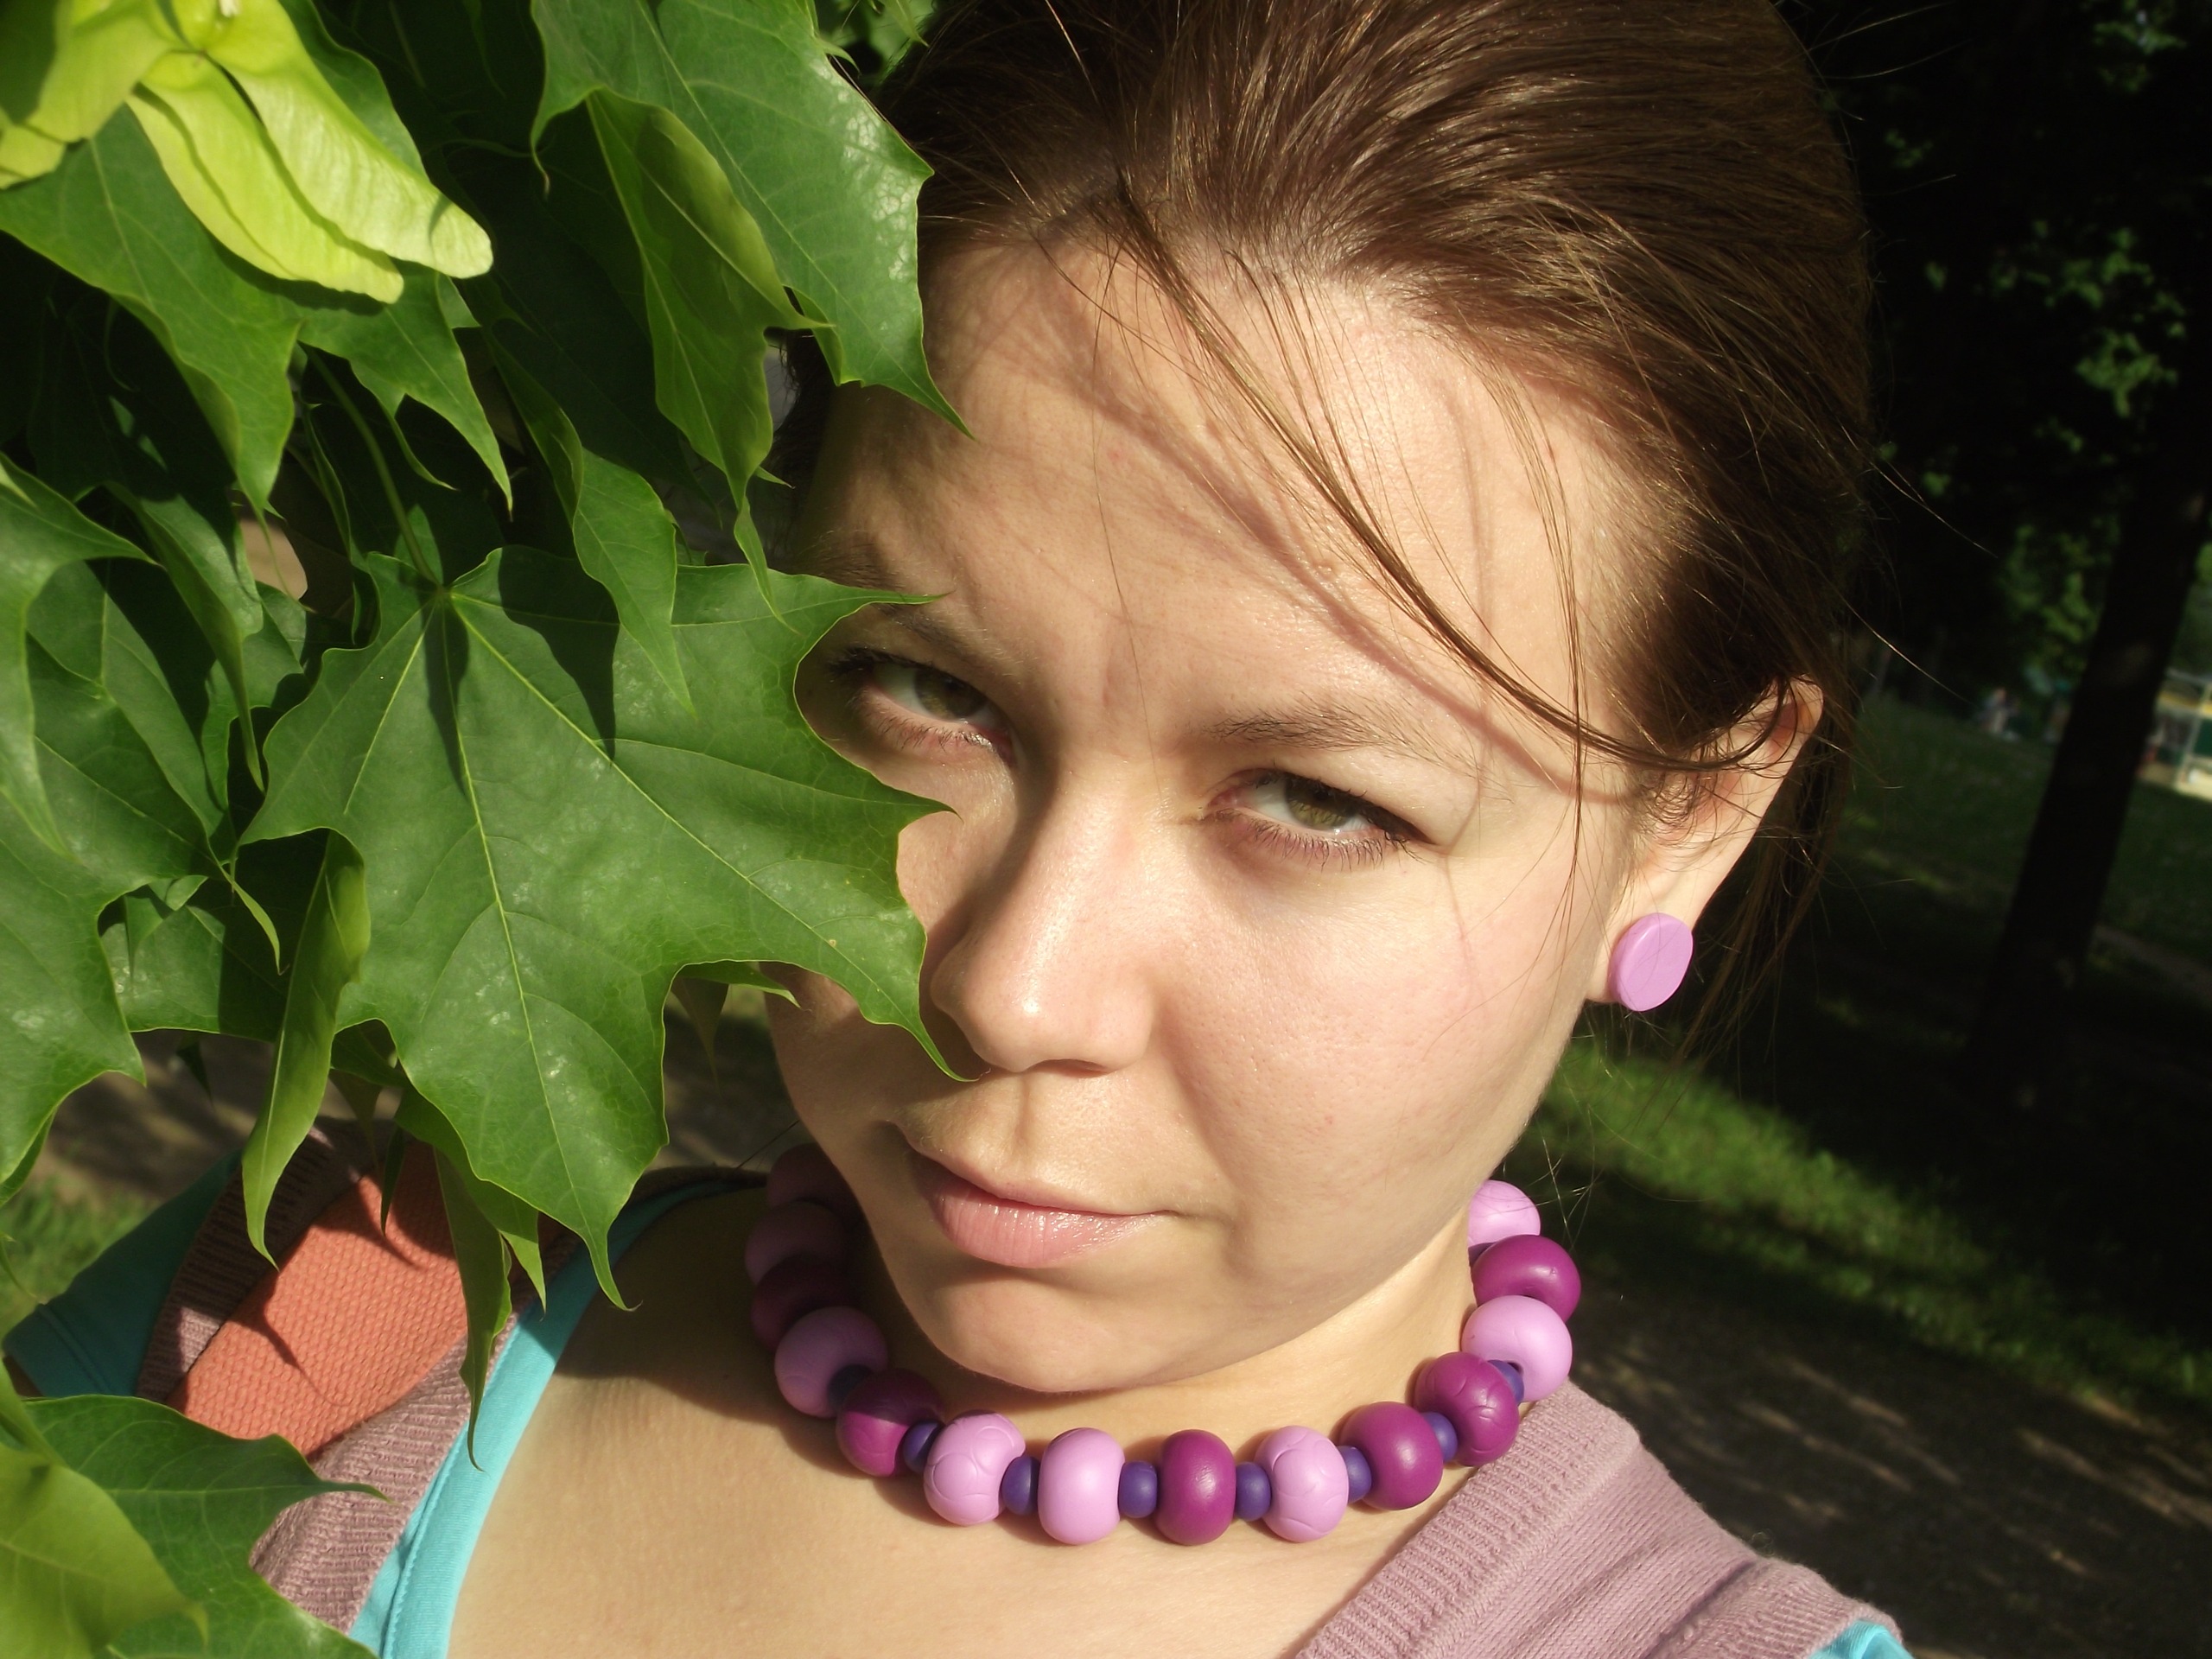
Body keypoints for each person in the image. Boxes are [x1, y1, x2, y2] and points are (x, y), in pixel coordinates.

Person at [6, 0, 1912, 1652]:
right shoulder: (293, 1333)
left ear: (1691, 820)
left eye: (1317, 800)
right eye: (927, 689)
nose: (1010, 989)